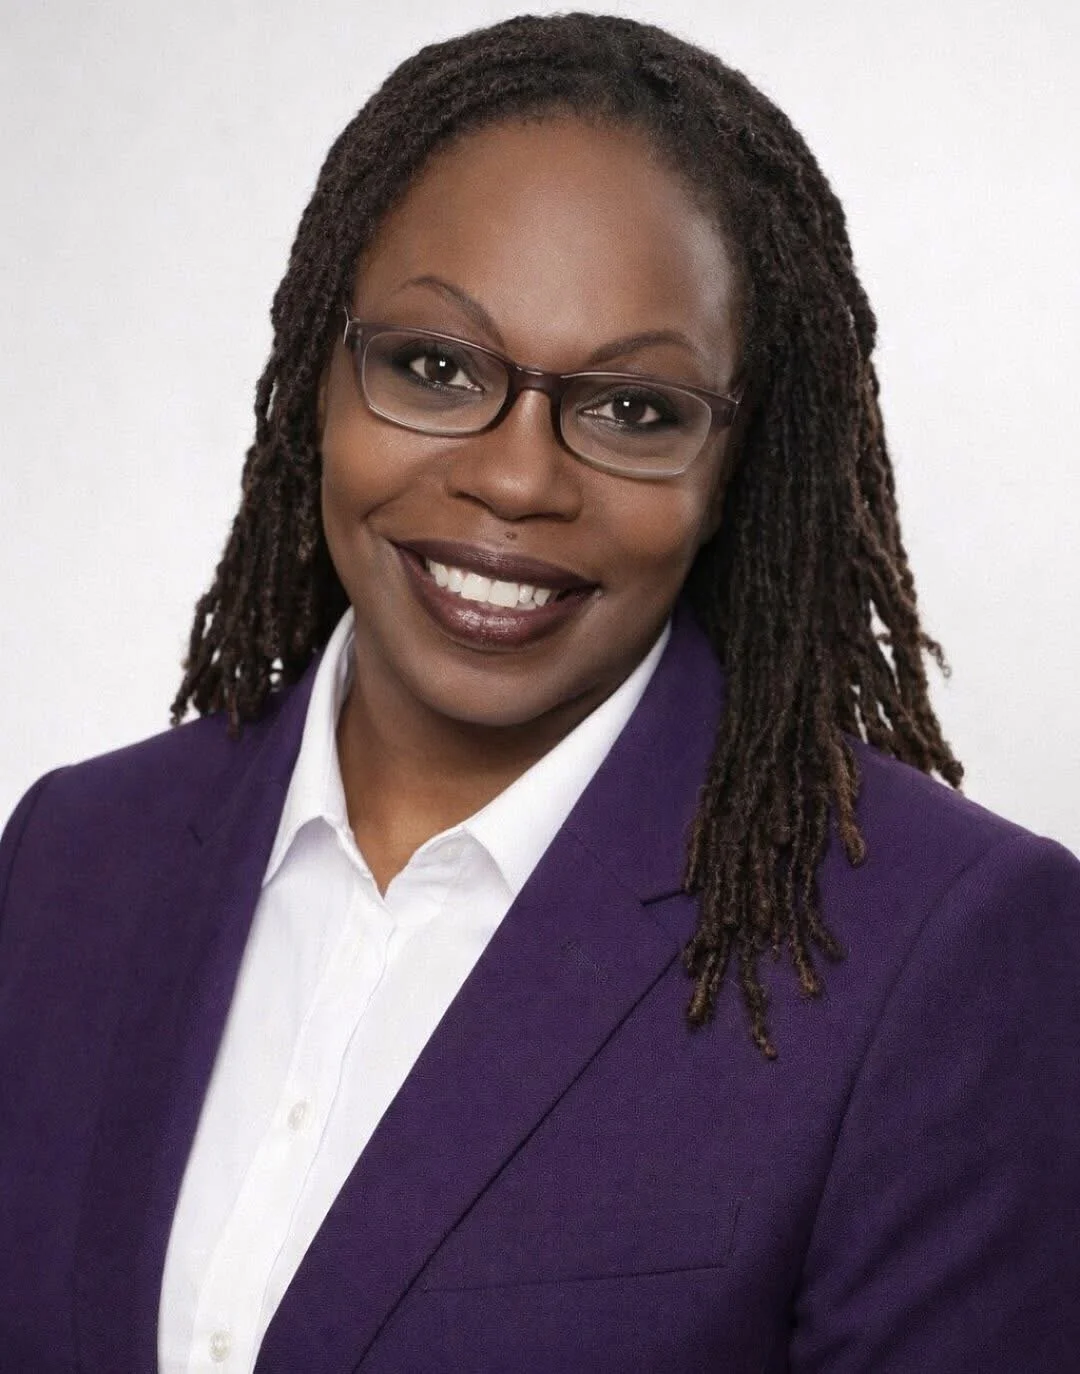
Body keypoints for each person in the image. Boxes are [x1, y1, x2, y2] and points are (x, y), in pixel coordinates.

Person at [1, 12, 1078, 1373]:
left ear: (736, 461)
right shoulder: (70, 858)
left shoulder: (936, 950)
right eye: (435, 367)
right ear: (319, 381)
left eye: (635, 408)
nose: (517, 479)